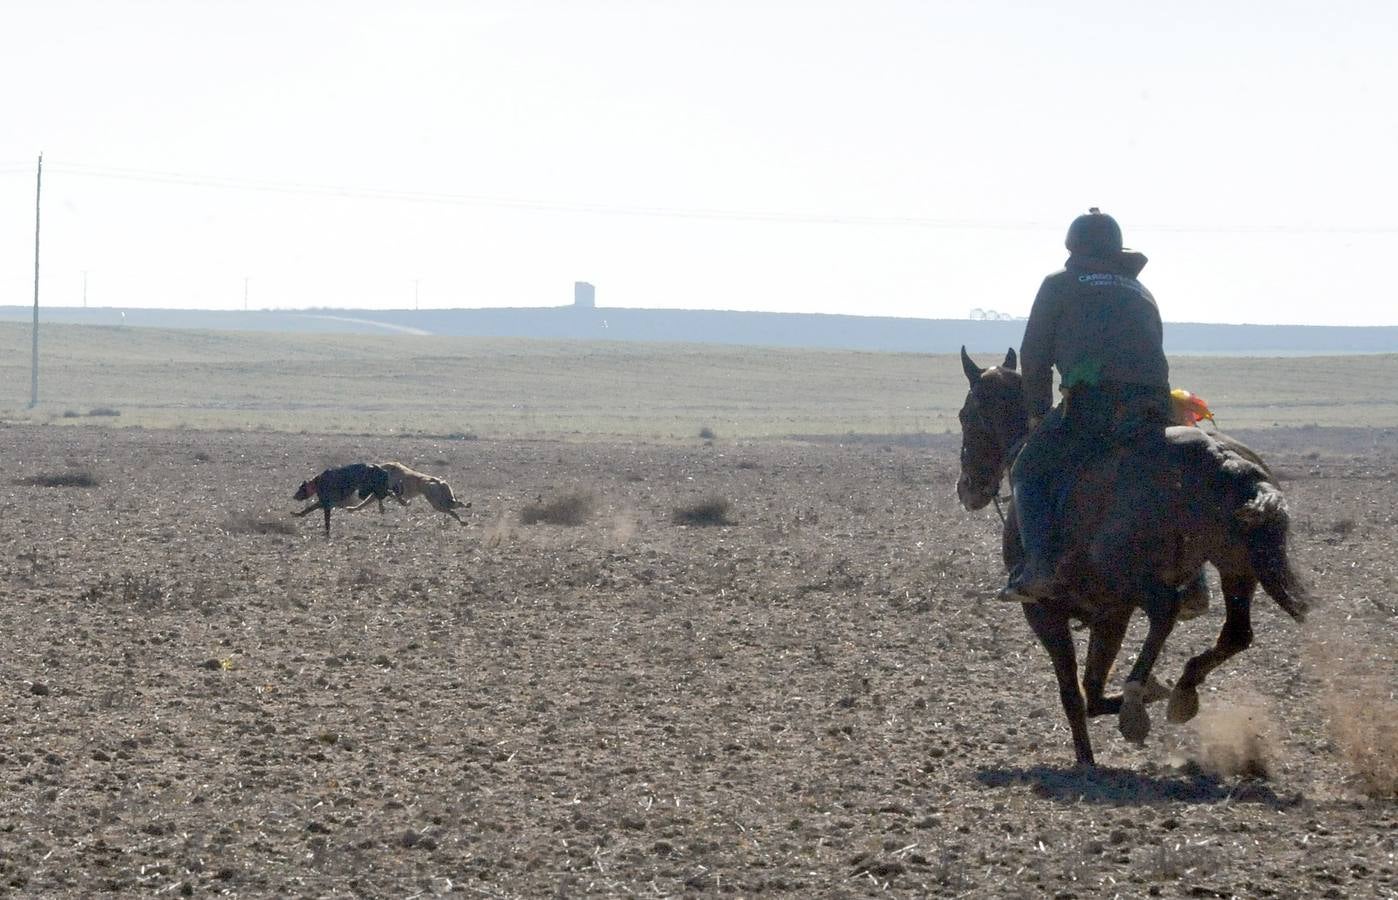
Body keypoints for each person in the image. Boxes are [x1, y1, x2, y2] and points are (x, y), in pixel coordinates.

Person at [999, 208, 1174, 603]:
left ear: (1073, 248)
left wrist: (1038, 412)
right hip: (1154, 407)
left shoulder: (1060, 284)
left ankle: (1040, 567)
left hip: (1096, 404)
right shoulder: (1140, 290)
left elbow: (1035, 354)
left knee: (1027, 468)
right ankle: (1192, 582)